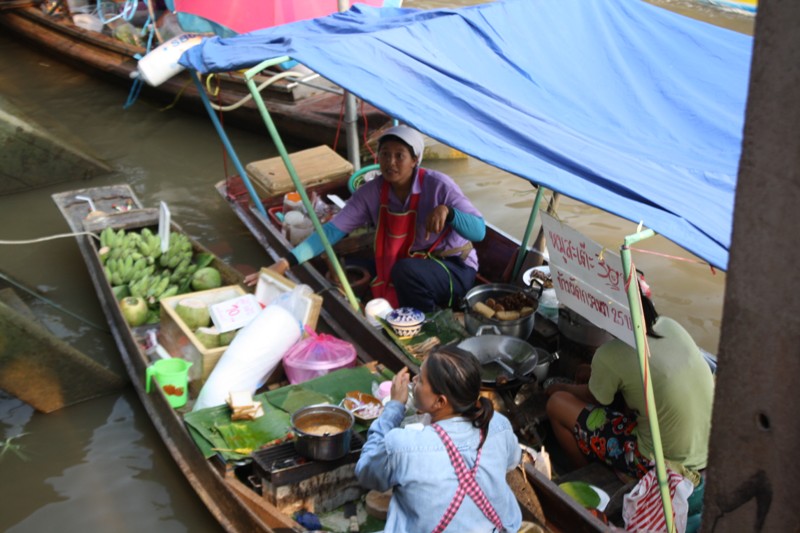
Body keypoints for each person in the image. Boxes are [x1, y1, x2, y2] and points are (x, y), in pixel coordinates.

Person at [248, 125, 485, 312]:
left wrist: (449, 212)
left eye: (399, 156)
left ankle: (420, 323)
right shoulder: (372, 192)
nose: (391, 162)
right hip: (413, 263)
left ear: (415, 160)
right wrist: (284, 262)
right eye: (385, 155)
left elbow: (479, 232)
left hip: (455, 270)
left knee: (405, 271)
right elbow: (331, 231)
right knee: (358, 267)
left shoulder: (439, 186)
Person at [545, 288, 714, 486]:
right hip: (707, 451)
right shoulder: (671, 325)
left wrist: (559, 388)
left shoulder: (612, 353)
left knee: (556, 405)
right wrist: (594, 371)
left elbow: (593, 397)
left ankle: (585, 478)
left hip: (662, 463)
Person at [355, 347, 522, 532]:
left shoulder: (404, 446)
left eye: (421, 378)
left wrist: (394, 407)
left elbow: (365, 471)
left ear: (440, 402)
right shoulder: (498, 425)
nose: (414, 380)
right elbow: (512, 461)